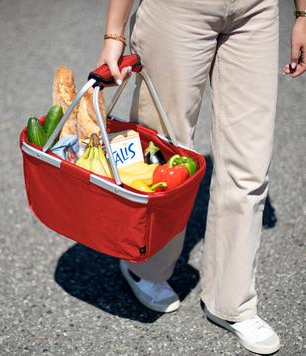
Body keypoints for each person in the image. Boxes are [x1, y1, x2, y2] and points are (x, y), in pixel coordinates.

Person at [97, 0, 306, 354]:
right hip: (177, 8)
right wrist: (114, 32)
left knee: (250, 160)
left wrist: (303, 14)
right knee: (163, 149)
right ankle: (145, 267)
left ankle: (232, 302)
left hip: (256, 10)